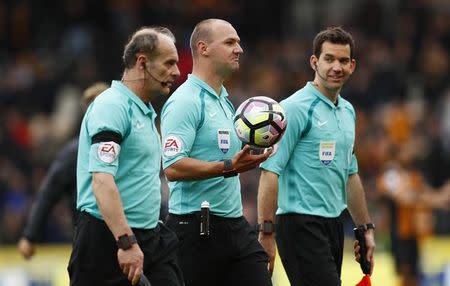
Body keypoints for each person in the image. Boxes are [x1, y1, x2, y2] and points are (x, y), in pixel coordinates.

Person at [257, 26, 376, 286]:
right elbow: (270, 172)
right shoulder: (293, 108)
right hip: (299, 224)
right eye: (329, 59)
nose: (337, 67)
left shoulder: (348, 111)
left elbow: (351, 175)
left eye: (343, 60)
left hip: (334, 226)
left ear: (353, 65)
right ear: (314, 61)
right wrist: (266, 232)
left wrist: (364, 229)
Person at [67, 26, 183, 286]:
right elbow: (102, 181)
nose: (176, 72)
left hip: (149, 237)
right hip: (107, 240)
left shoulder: (144, 111)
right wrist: (126, 241)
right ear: (142, 62)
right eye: (169, 63)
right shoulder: (112, 106)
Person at [161, 19, 273, 286]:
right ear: (203, 48)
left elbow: (230, 159)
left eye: (238, 42)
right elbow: (173, 168)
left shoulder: (225, 100)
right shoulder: (184, 101)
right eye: (230, 42)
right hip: (196, 227)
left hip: (234, 224)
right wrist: (228, 167)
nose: (240, 49)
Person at [17, 82, 108, 260]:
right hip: (88, 241)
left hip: (125, 238)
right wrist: (30, 235)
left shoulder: (125, 150)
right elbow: (49, 193)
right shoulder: (74, 153)